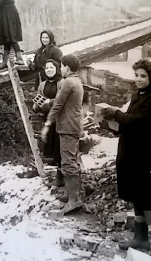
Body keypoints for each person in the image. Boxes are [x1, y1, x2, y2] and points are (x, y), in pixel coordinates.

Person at [102, 60, 151, 259]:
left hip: (144, 155)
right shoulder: (136, 96)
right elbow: (128, 123)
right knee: (137, 196)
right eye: (136, 75)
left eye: (143, 76)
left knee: (148, 199)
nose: (138, 80)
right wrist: (110, 124)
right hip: (130, 153)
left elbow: (137, 122)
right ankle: (140, 238)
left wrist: (117, 113)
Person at [41, 54, 84, 214]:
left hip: (67, 127)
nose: (60, 69)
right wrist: (51, 102)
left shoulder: (67, 82)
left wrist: (47, 124)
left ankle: (74, 200)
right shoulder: (77, 81)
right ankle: (74, 195)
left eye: (61, 66)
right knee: (72, 160)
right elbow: (63, 100)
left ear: (67, 67)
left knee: (68, 163)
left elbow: (58, 104)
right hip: (73, 126)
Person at [33, 59, 63, 186]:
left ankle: (61, 176)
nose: (49, 70)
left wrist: (50, 101)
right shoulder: (42, 85)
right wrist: (36, 105)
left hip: (60, 119)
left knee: (59, 146)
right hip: (47, 118)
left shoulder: (62, 84)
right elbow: (38, 99)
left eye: (51, 68)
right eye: (47, 68)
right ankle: (56, 173)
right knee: (49, 145)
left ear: (57, 69)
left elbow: (62, 101)